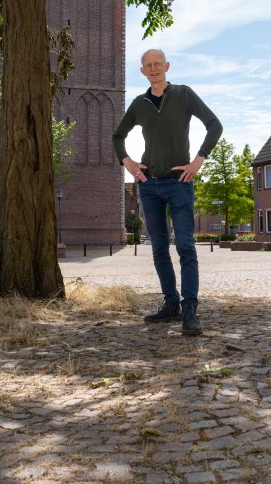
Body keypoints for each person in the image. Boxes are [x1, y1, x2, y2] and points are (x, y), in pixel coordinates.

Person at [112, 48, 222, 336]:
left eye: (157, 64)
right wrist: (129, 162)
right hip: (149, 185)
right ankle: (170, 304)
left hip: (179, 182)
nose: (153, 68)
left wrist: (198, 160)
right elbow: (117, 136)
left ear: (167, 66)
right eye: (148, 65)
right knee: (159, 248)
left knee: (185, 246)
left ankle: (190, 310)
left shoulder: (184, 94)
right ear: (142, 71)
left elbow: (214, 125)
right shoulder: (139, 103)